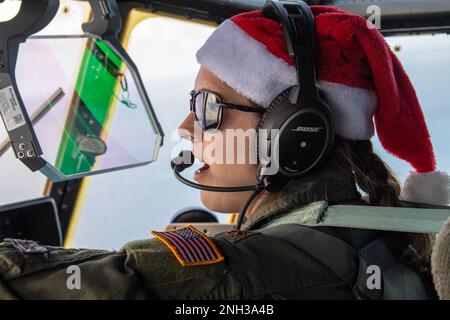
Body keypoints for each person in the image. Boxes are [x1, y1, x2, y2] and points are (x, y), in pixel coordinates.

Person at [0, 4, 449, 300]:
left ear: (296, 132)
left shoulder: (237, 278)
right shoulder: (383, 238)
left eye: (209, 108)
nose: (185, 128)